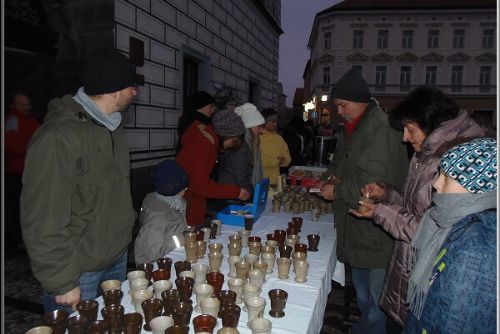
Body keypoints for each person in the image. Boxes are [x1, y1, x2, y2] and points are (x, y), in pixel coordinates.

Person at [349, 86, 485, 333]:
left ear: (431, 124)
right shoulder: (427, 152)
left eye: (410, 129)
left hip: (427, 282)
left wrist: (379, 212)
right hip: (406, 270)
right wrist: (387, 192)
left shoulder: (456, 161)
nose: (404, 137)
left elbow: (430, 229)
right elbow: (416, 204)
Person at [21, 48, 138, 312]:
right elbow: (42, 216)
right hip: (79, 268)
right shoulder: (58, 137)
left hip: (115, 256)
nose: (135, 92)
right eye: (131, 86)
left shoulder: (113, 128)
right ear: (114, 90)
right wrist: (61, 280)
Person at [319, 68, 409, 334]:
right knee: (363, 290)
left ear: (360, 101)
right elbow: (340, 165)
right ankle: (366, 326)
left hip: (375, 229)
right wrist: (329, 178)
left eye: (342, 105)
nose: (339, 111)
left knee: (377, 296)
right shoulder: (355, 128)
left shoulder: (380, 129)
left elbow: (373, 183)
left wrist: (335, 191)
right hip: (359, 227)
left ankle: (371, 329)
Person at [404, 138, 496, 334]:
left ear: (475, 187)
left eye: (447, 177)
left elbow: (458, 321)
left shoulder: (477, 248)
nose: (436, 183)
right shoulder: (455, 221)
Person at [176, 92, 250, 227]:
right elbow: (201, 185)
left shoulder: (207, 140)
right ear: (226, 136)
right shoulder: (203, 145)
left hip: (192, 201)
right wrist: (236, 192)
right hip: (187, 204)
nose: (231, 146)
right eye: (233, 141)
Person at [134, 159, 189, 264]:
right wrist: (183, 238)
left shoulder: (176, 201)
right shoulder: (157, 216)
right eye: (182, 186)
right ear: (172, 188)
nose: (186, 188)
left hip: (174, 255)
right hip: (154, 267)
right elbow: (154, 253)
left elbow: (180, 224)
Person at [5, 92, 40, 254]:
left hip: (32, 172)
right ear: (13, 106)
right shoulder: (13, 121)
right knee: (19, 209)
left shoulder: (32, 120)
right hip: (17, 173)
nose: (27, 107)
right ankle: (20, 240)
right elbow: (12, 147)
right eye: (22, 105)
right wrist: (34, 144)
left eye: (28, 104)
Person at [211, 109, 252, 211]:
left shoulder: (226, 145)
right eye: (233, 139)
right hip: (232, 194)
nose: (261, 130)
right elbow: (241, 173)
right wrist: (248, 195)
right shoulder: (239, 147)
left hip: (227, 192)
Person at [234, 103, 265, 186]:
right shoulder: (241, 146)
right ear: (250, 125)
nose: (262, 131)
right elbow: (240, 177)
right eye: (259, 126)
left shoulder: (253, 143)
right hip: (240, 195)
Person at [259, 107, 291, 186]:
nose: (275, 124)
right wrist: (277, 161)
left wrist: (284, 160)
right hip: (260, 180)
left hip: (276, 182)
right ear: (264, 122)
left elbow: (288, 159)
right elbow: (260, 161)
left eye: (276, 121)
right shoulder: (258, 138)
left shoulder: (279, 139)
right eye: (271, 121)